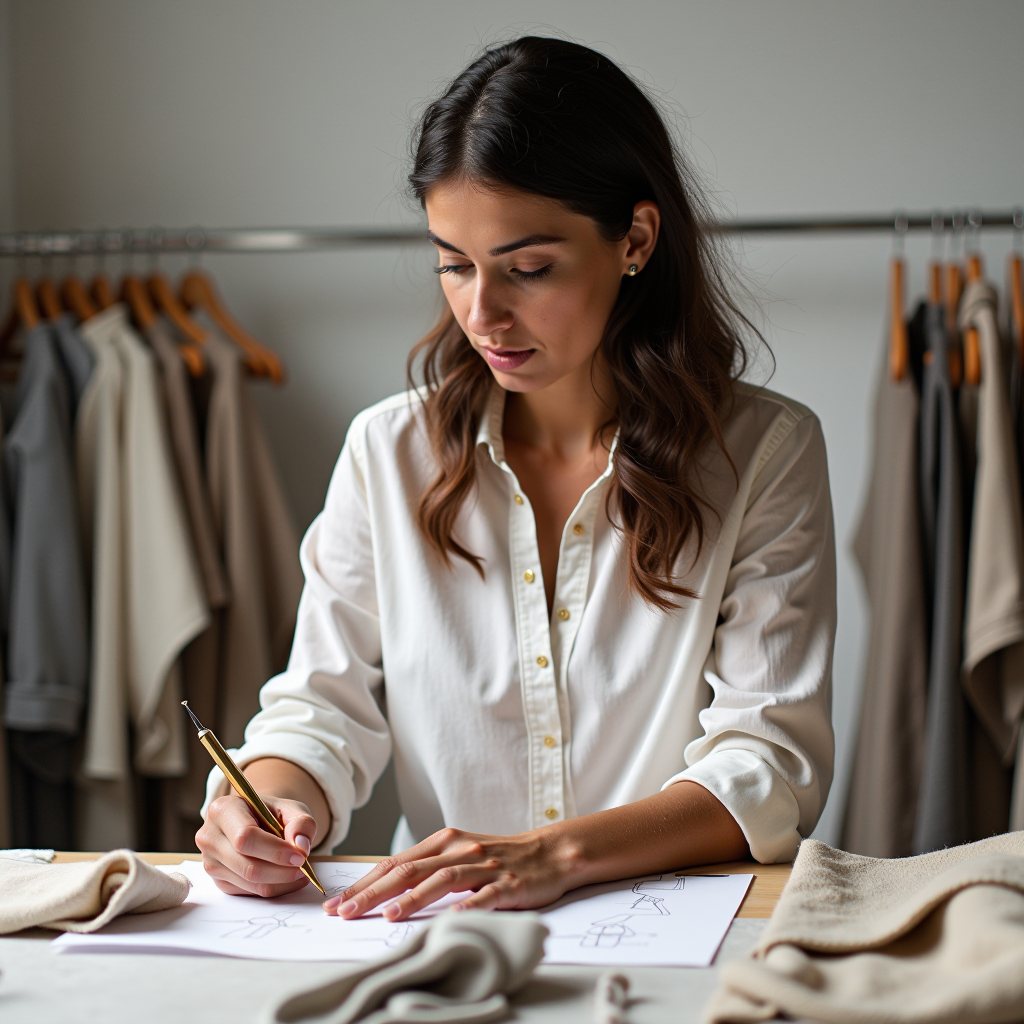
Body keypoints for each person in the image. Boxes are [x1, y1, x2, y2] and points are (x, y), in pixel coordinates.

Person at [197, 36, 835, 922]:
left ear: (636, 240)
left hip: (674, 941)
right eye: (454, 264)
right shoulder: (387, 453)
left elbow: (770, 762)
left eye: (527, 269)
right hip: (433, 945)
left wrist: (551, 856)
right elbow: (320, 710)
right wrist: (259, 806)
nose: (481, 313)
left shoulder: (765, 453)